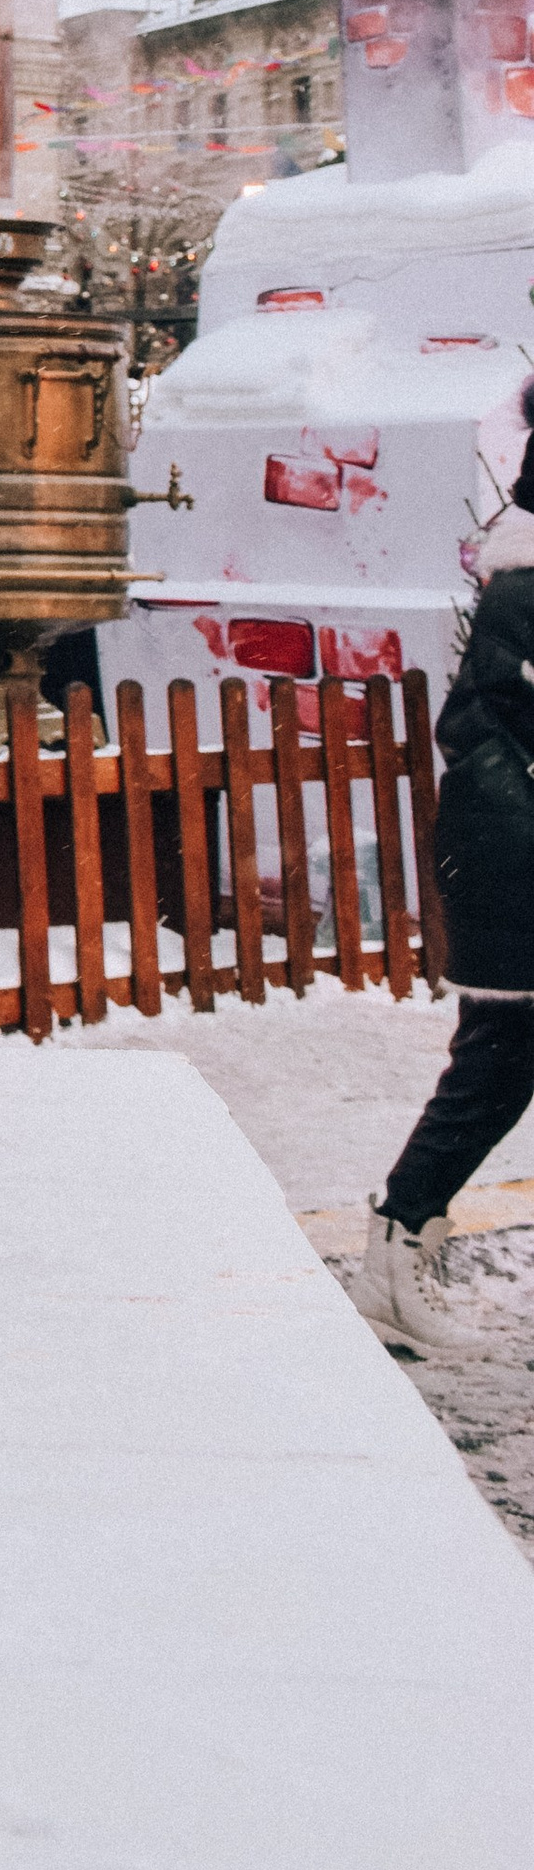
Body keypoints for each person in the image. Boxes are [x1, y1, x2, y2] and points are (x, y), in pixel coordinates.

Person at [351, 386, 534, 1354]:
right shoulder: (524, 592)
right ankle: (395, 1252)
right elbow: (482, 736)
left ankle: (400, 1243)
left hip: (507, 854)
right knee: (494, 1071)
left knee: (496, 1072)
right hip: (516, 868)